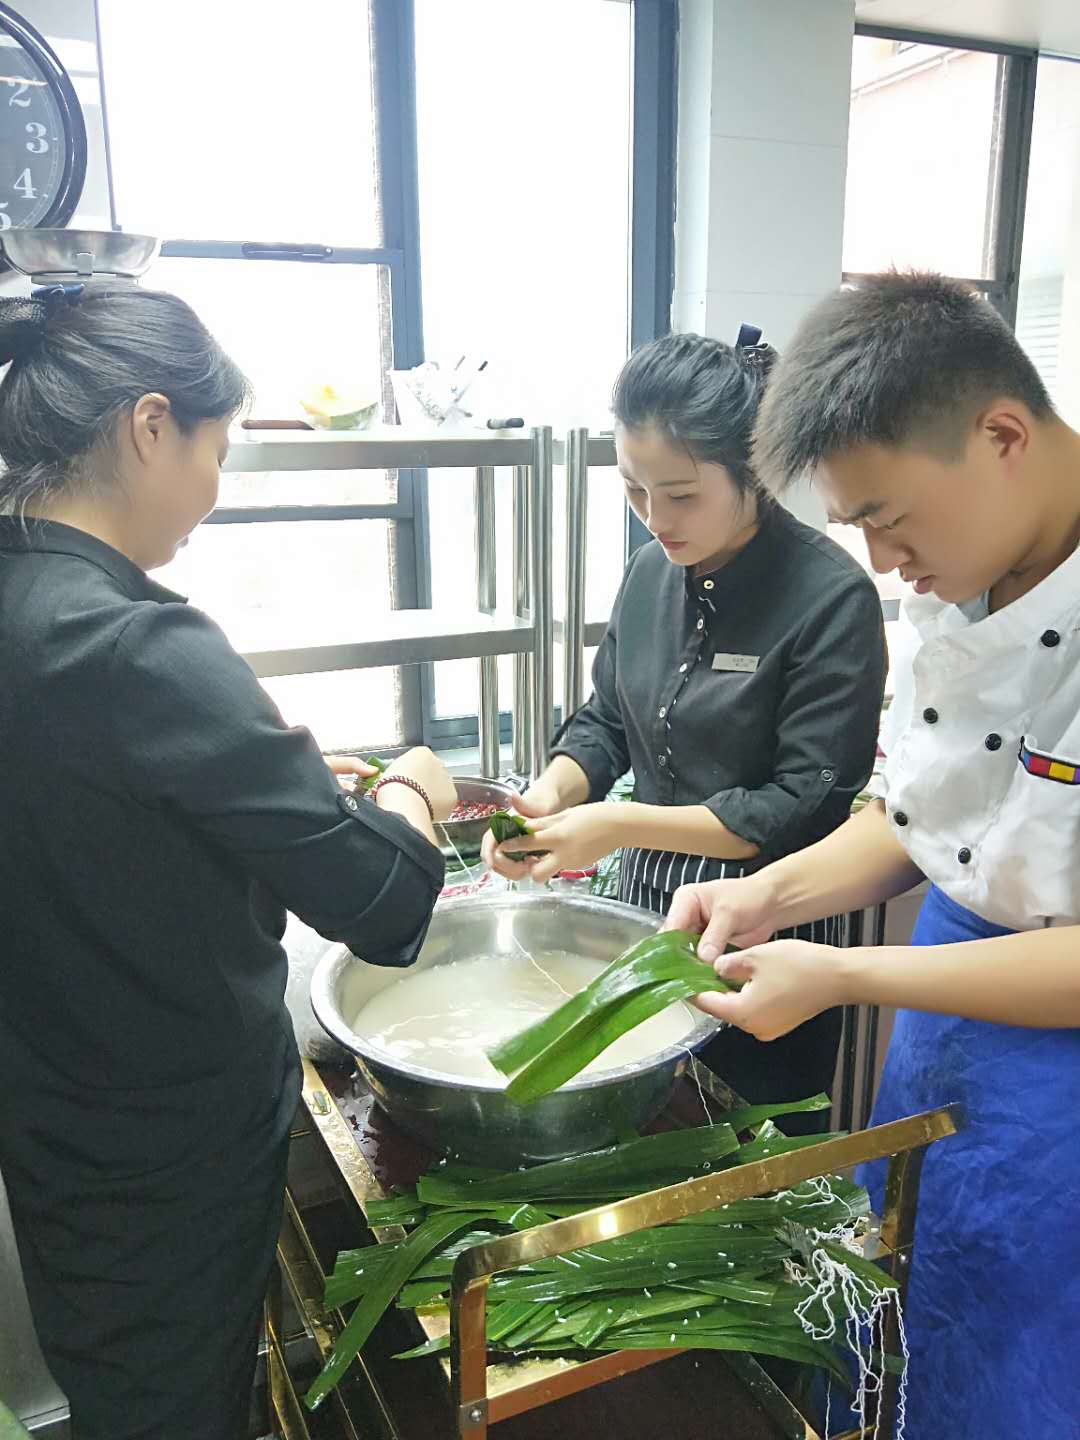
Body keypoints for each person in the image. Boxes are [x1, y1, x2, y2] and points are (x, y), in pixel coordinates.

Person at [0, 285, 456, 1440]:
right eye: (218, 449)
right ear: (151, 426)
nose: (214, 486)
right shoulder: (136, 642)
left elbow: (97, 810)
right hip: (168, 1157)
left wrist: (254, 781)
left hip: (54, 1123)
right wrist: (412, 788)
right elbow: (384, 902)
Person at [668, 272, 1080, 1438]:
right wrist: (766, 894)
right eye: (859, 529)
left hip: (1063, 1079)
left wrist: (844, 973)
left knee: (1027, 1364)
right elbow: (912, 818)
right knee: (893, 1315)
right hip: (941, 1016)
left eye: (891, 521)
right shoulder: (957, 573)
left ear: (1002, 436)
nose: (887, 560)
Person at [484, 330, 886, 1125]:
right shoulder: (650, 571)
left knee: (753, 1140)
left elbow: (797, 805)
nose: (654, 519)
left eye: (680, 495)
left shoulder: (831, 599)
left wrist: (618, 823)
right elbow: (609, 718)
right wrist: (550, 797)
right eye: (634, 490)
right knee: (649, 1123)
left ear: (755, 471)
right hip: (647, 912)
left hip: (772, 936)